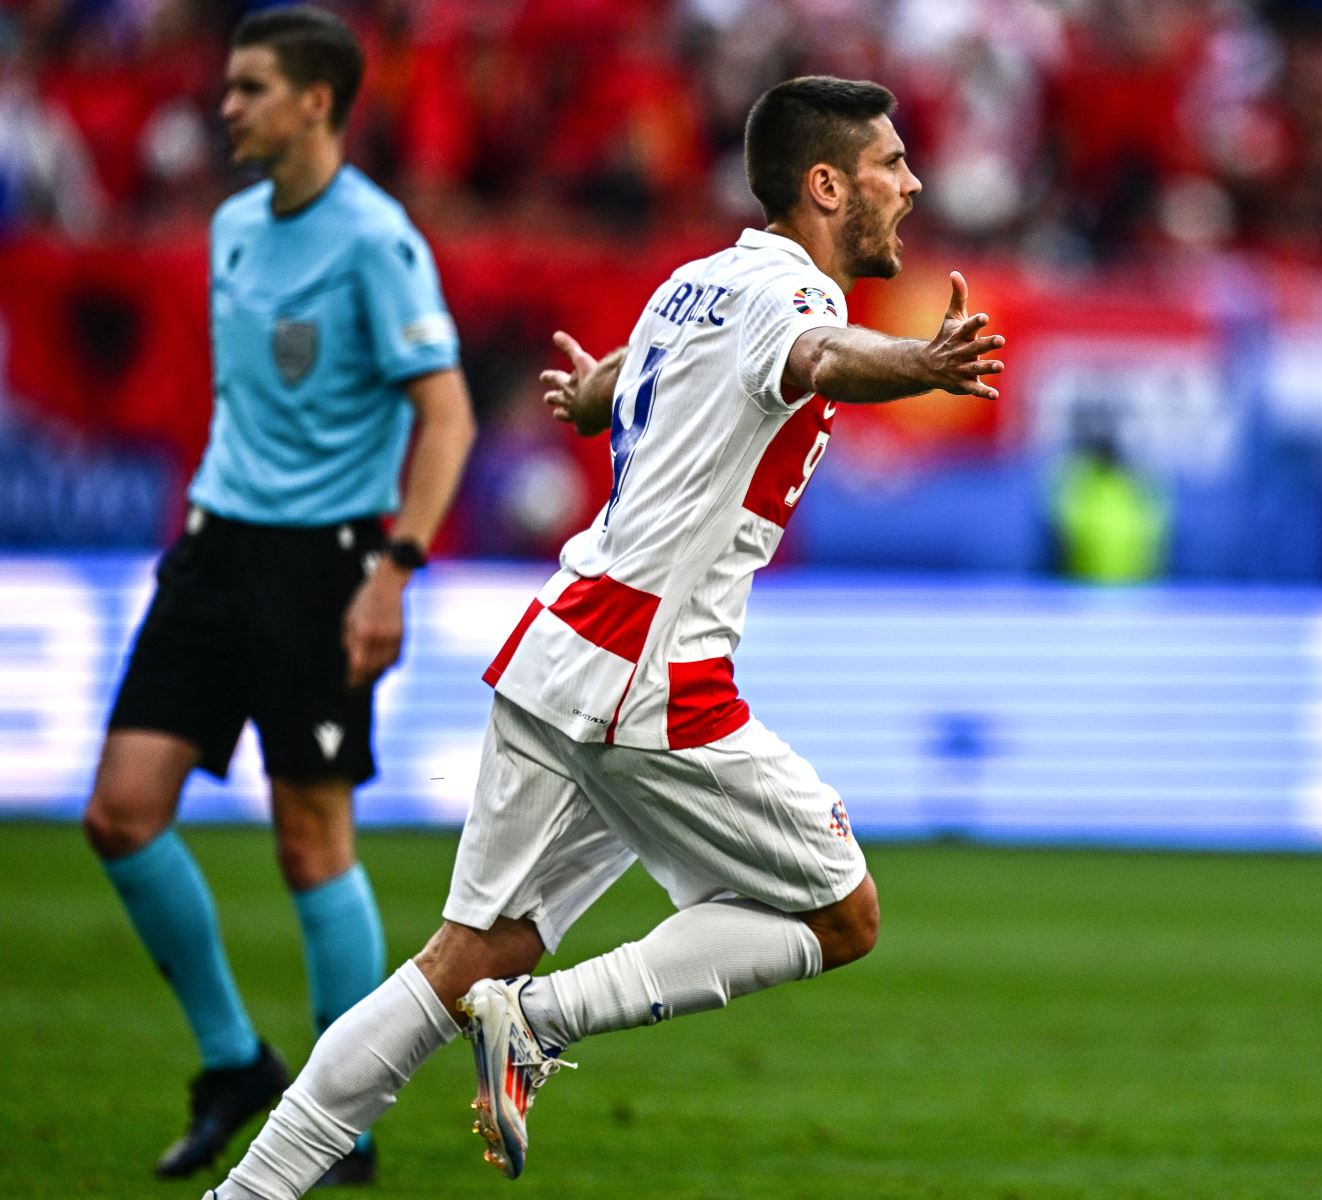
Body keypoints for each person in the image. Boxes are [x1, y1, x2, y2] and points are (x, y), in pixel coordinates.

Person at [199, 74, 1004, 1199]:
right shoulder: (792, 303)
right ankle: (538, 1023)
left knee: (454, 961)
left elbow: (647, 367)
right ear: (826, 184)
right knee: (842, 911)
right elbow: (817, 359)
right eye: (891, 165)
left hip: (558, 648)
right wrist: (917, 364)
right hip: (650, 674)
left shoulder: (696, 283)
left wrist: (596, 397)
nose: (912, 185)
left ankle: (248, 1192)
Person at [80, 5, 476, 1186]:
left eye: (250, 88)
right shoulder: (234, 226)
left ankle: (340, 1120)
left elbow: (445, 413)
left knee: (311, 841)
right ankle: (233, 1063)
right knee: (119, 814)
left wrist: (391, 571)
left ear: (316, 101)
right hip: (214, 549)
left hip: (325, 564)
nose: (226, 105)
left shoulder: (377, 241)